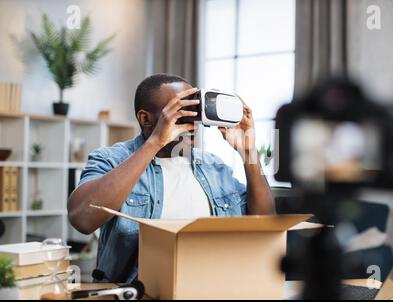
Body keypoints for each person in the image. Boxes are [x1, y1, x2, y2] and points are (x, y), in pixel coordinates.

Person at [68, 74, 274, 282]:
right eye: (179, 113)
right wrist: (155, 142)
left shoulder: (214, 167)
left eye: (195, 113)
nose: (192, 124)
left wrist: (249, 152)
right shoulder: (112, 159)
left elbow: (264, 224)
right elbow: (82, 219)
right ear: (146, 119)